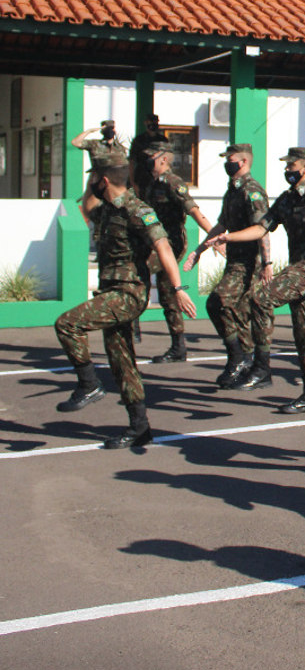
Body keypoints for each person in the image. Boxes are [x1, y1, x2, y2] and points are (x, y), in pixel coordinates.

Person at [54, 146, 196, 448]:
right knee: (122, 361)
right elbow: (85, 208)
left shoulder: (138, 210)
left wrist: (178, 288)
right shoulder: (107, 210)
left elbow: (164, 247)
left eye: (94, 177)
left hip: (128, 292)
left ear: (103, 180)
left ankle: (89, 384)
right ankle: (140, 427)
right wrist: (96, 167)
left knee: (68, 324)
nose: (91, 182)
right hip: (111, 291)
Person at [207, 148, 305, 412]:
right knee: (304, 331)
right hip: (297, 267)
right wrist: (229, 237)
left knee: (260, 298)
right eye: (286, 167)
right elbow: (262, 227)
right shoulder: (287, 199)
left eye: (292, 166)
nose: (287, 171)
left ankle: (262, 368)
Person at [187, 144, 272, 389]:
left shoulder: (252, 191)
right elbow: (221, 224)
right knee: (238, 311)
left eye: (231, 159)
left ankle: (239, 357)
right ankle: (244, 360)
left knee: (218, 301)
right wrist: (199, 250)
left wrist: (267, 263)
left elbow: (262, 230)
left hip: (249, 264)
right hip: (234, 261)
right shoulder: (233, 190)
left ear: (244, 161)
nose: (227, 163)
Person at [132, 138, 214, 363]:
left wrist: (214, 236)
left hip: (171, 243)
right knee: (163, 291)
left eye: (153, 157)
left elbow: (194, 210)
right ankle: (174, 345)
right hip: (153, 242)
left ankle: (170, 342)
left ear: (164, 159)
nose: (149, 161)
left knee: (152, 280)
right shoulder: (151, 182)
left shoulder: (172, 182)